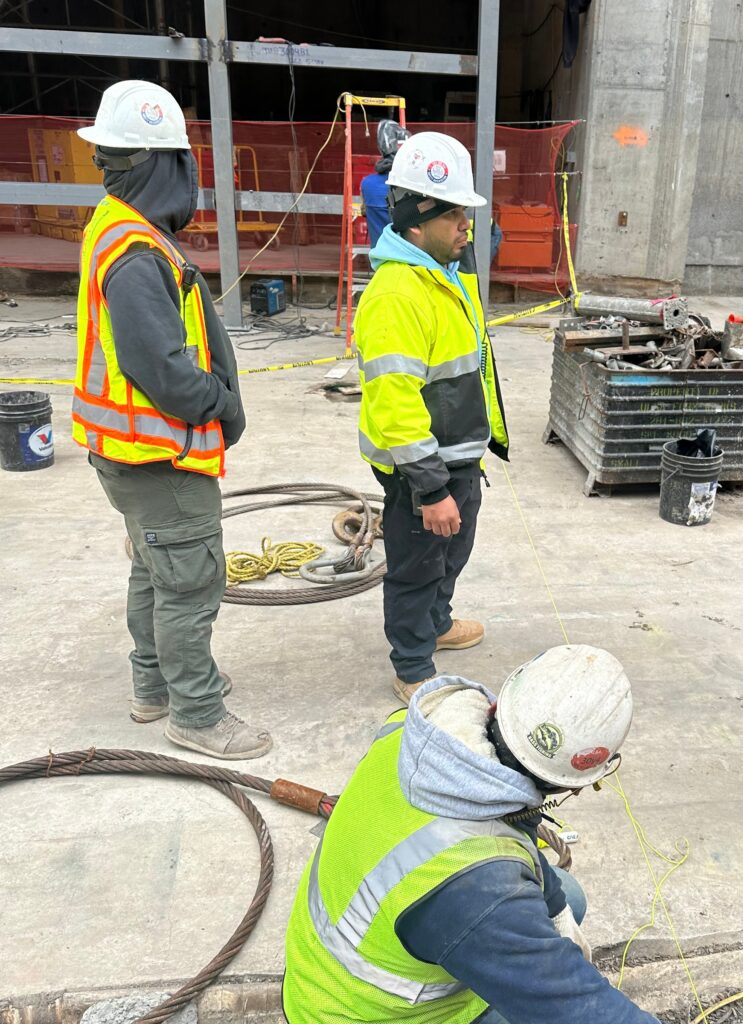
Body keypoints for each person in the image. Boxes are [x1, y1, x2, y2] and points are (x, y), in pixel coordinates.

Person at [283, 644, 662, 1024]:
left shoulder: (422, 730)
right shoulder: (480, 893)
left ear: (499, 708)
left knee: (568, 899)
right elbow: (579, 1010)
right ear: (575, 784)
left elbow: (515, 823)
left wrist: (556, 907)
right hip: (359, 1013)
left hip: (330, 960)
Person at [72, 80, 272, 760]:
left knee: (154, 569)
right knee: (189, 580)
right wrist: (217, 403)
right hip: (159, 457)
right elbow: (160, 366)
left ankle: (154, 685)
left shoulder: (117, 225)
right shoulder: (134, 253)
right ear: (163, 165)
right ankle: (196, 711)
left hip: (124, 456)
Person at [354, 131, 510, 704]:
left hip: (455, 453)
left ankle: (437, 624)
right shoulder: (398, 293)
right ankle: (413, 663)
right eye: (455, 216)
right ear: (417, 221)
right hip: (423, 464)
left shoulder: (440, 272)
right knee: (418, 561)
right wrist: (431, 487)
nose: (467, 226)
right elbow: (396, 404)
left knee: (453, 548)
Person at [360, 119, 410, 248]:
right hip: (409, 260)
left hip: (380, 258)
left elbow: (364, 211)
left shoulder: (367, 184)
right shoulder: (413, 184)